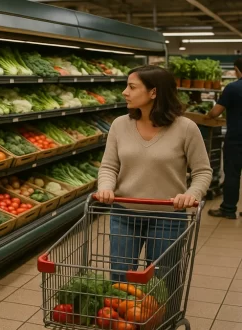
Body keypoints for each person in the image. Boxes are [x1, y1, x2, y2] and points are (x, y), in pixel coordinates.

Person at [95, 65, 212, 287]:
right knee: (121, 276)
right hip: (124, 212)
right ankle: (124, 320)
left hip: (168, 215)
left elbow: (202, 171)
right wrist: (106, 187)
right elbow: (109, 166)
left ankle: (158, 321)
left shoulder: (186, 128)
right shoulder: (120, 125)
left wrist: (191, 194)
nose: (124, 92)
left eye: (132, 87)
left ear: (153, 92)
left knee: (161, 280)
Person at [206, 58, 242, 219]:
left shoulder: (233, 88)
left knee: (232, 175)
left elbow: (215, 112)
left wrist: (207, 116)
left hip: (236, 139)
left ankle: (228, 210)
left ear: (236, 69)